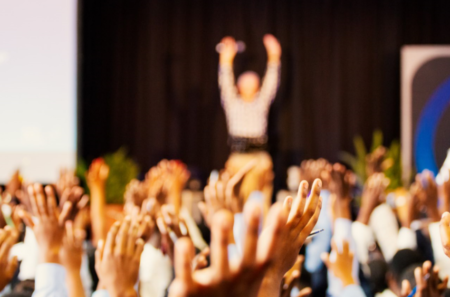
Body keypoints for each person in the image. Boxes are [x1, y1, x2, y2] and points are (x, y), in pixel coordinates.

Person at [218, 34, 281, 211]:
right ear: (239, 87)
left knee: (261, 203)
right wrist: (226, 59)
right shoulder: (233, 103)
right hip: (238, 157)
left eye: (253, 83)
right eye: (245, 83)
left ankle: (263, 233)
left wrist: (274, 56)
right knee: (238, 201)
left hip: (259, 158)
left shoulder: (261, 103)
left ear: (258, 86)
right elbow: (225, 81)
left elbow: (271, 83)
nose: (249, 85)